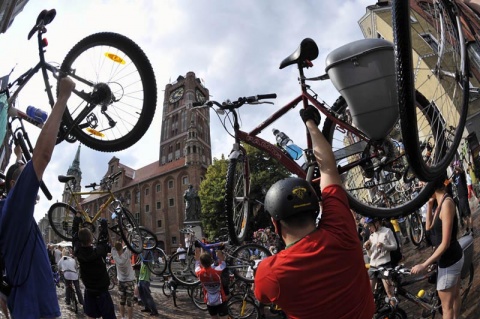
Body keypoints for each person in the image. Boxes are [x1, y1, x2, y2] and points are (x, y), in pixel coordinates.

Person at [253, 105, 375, 319]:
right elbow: (329, 168)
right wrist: (310, 123)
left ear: (275, 223)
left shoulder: (269, 272)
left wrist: (312, 124)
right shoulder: (341, 231)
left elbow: (262, 296)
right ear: (316, 209)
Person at [0, 77, 75, 318]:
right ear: (15, 185)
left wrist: (18, 156)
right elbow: (41, 157)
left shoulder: (9, 211)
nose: (35, 183)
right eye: (26, 180)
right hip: (36, 311)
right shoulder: (13, 210)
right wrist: (62, 97)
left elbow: (18, 175)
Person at [412, 176, 464, 319]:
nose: (422, 190)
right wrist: (429, 205)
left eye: (424, 187)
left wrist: (424, 264)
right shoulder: (437, 204)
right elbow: (428, 229)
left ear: (432, 187)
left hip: (449, 260)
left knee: (446, 308)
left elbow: (445, 243)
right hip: (449, 258)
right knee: (454, 295)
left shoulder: (447, 203)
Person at [75, 224, 116, 319]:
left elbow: (74, 238)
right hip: (102, 292)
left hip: (89, 291)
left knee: (91, 316)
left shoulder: (78, 252)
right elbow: (103, 240)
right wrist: (104, 225)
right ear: (91, 239)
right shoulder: (98, 252)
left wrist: (77, 219)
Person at [363, 217, 397, 303]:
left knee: (389, 293)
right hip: (373, 265)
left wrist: (384, 246)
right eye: (368, 226)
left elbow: (395, 246)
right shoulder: (371, 236)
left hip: (384, 264)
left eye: (371, 225)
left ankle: (395, 311)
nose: (369, 228)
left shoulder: (387, 231)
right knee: (368, 292)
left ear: (377, 223)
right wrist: (367, 249)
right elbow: (370, 255)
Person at [195, 248, 228, 319]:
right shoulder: (216, 270)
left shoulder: (199, 272)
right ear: (211, 261)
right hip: (221, 300)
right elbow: (222, 261)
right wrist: (219, 248)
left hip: (209, 302)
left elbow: (197, 260)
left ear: (201, 262)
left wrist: (197, 248)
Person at [111, 242, 136, 319]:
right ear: (122, 248)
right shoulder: (126, 254)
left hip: (121, 281)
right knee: (130, 303)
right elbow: (128, 242)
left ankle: (122, 317)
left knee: (122, 302)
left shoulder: (115, 256)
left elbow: (112, 244)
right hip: (130, 281)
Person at [452, 165, 474, 235]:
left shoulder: (461, 174)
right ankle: (467, 229)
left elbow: (461, 170)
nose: (455, 170)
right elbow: (447, 182)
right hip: (459, 198)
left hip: (464, 196)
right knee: (463, 216)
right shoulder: (454, 176)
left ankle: (471, 230)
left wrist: (456, 167)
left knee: (468, 214)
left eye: (455, 169)